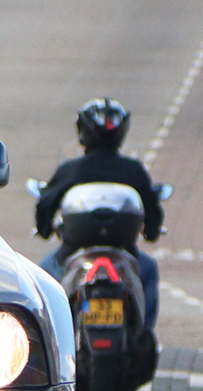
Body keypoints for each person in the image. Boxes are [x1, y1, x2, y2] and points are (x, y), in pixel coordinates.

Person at [32, 99, 162, 332]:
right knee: (149, 270)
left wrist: (44, 229)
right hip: (124, 254)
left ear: (83, 130)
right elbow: (153, 210)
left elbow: (45, 204)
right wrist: (151, 232)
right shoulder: (133, 170)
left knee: (46, 273)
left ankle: (51, 336)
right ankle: (144, 334)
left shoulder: (71, 170)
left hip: (72, 252)